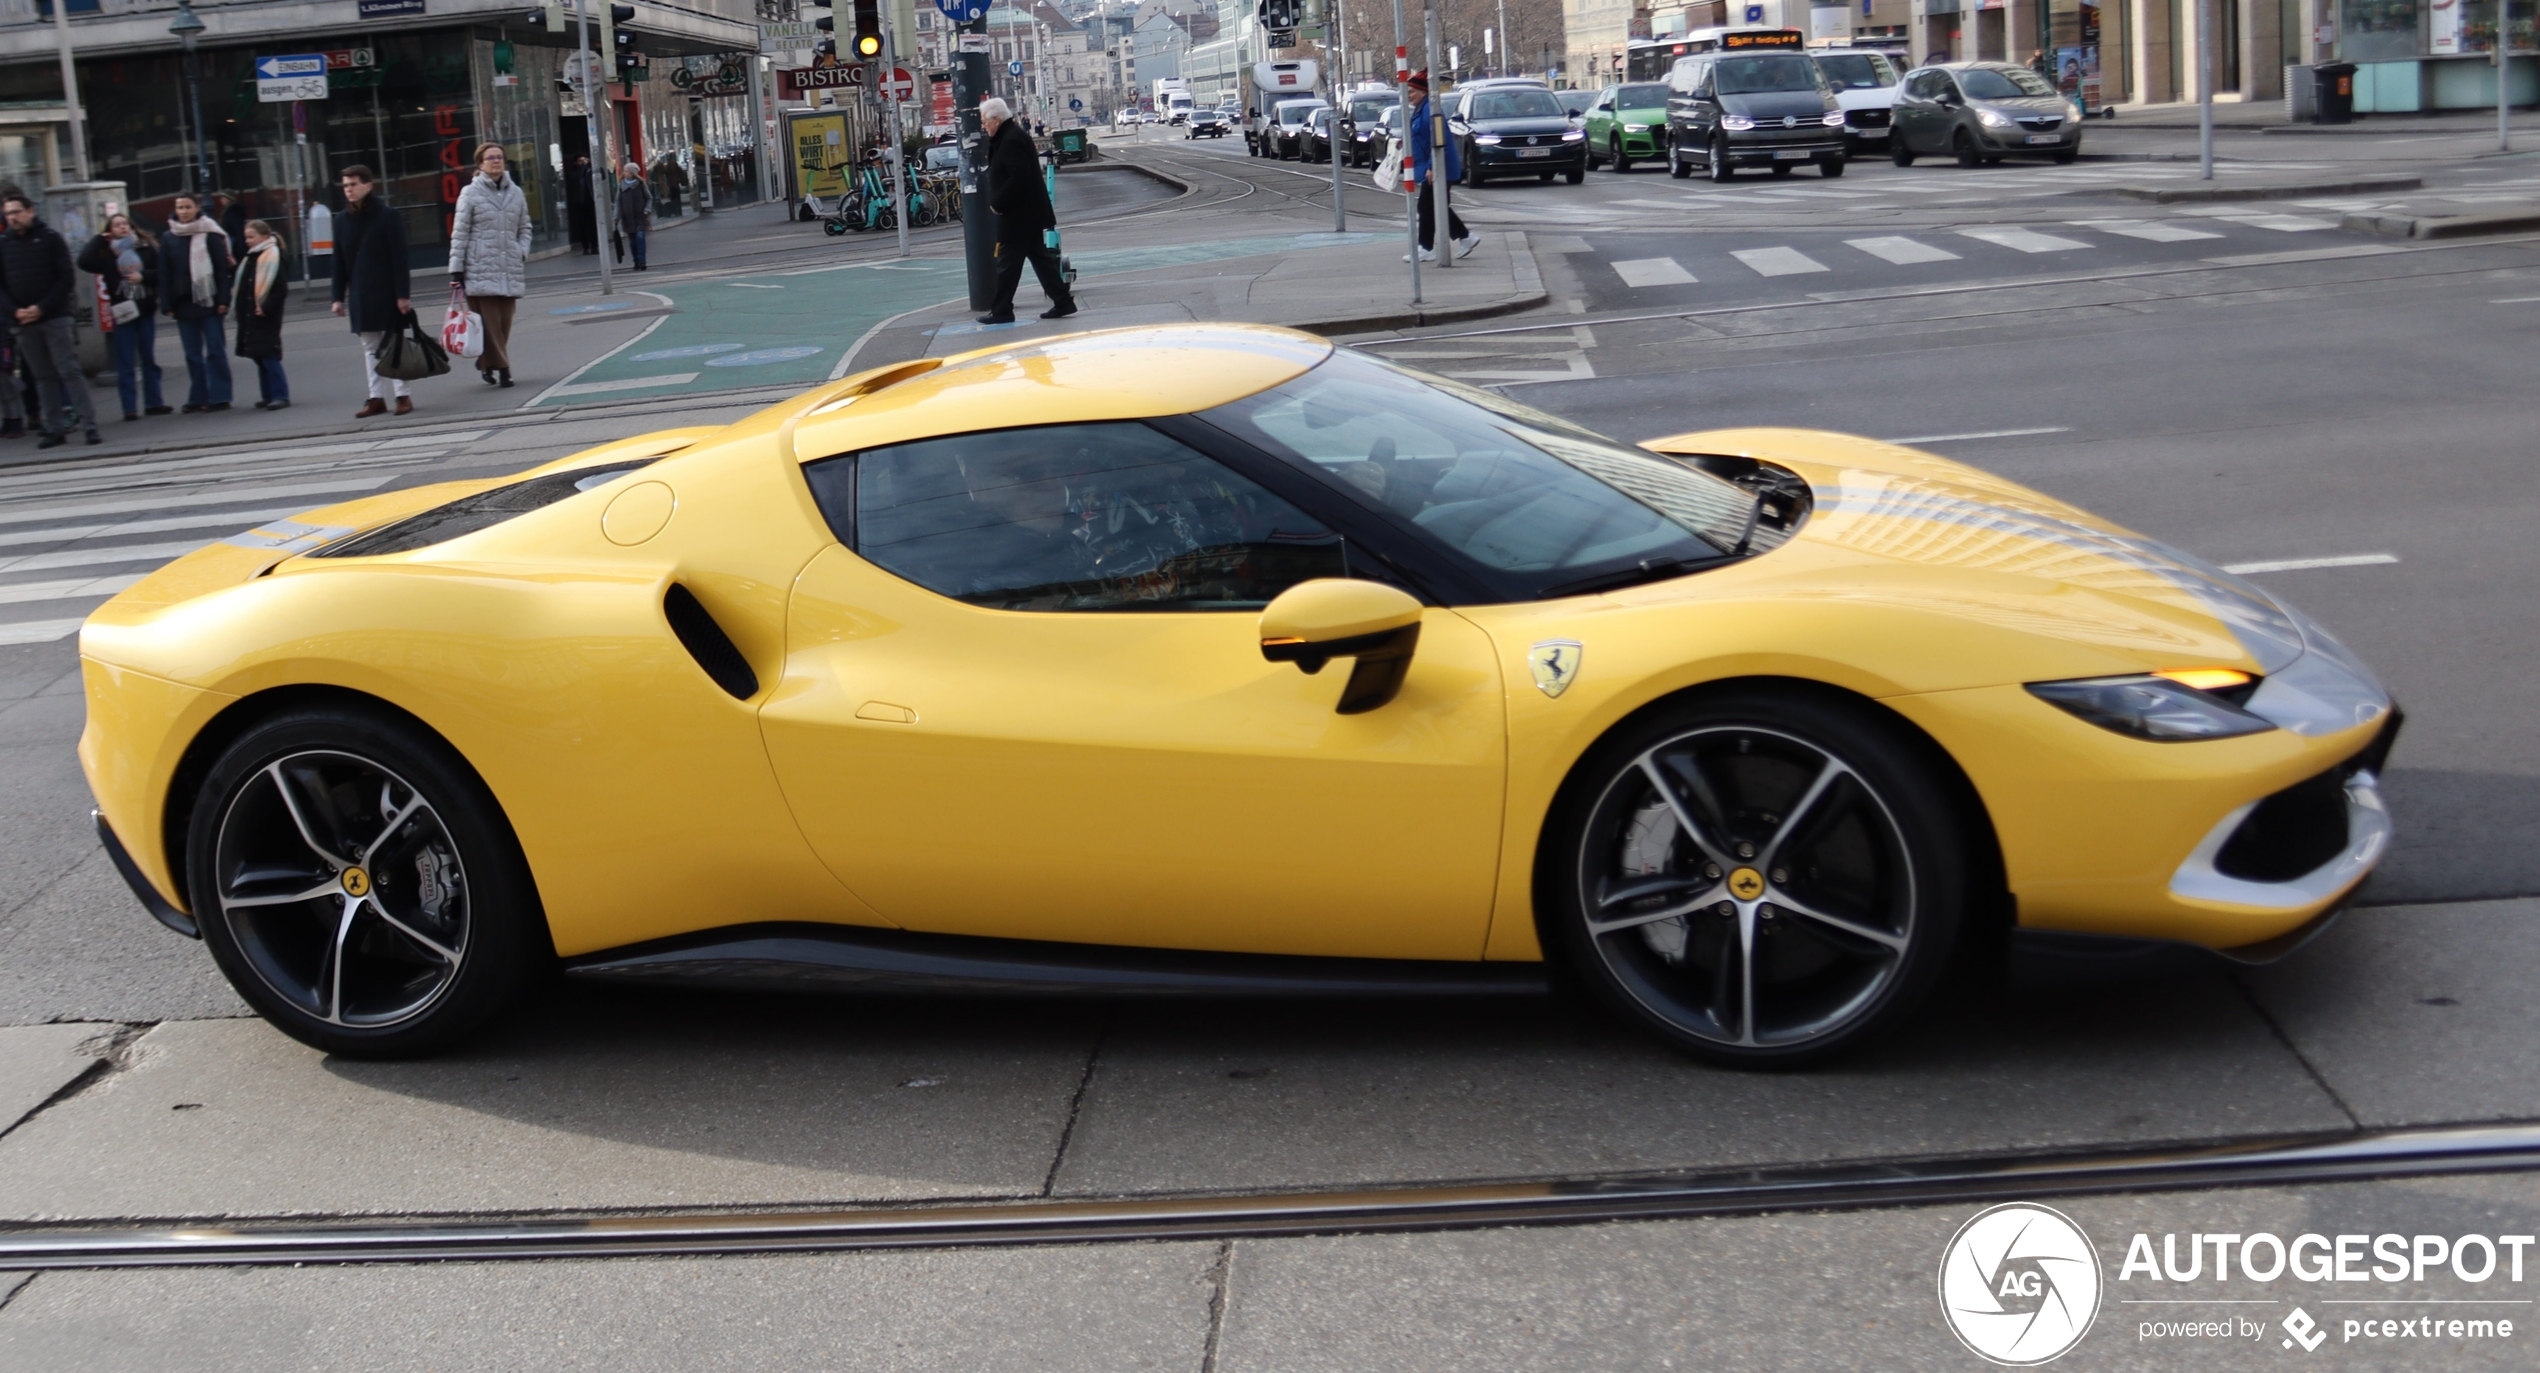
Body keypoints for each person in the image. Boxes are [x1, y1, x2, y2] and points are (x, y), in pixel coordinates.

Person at [0, 193, 100, 447]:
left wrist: (41, 308)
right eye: (8, 213)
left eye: (16, 212)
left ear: (30, 211)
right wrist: (16, 312)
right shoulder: (3, 244)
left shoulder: (50, 238)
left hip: (54, 316)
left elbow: (65, 278)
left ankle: (89, 425)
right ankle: (53, 427)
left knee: (68, 370)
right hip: (23, 321)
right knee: (42, 375)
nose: (12, 218)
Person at [978, 96, 1075, 325]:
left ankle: (1002, 310)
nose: (984, 126)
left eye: (985, 122)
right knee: (1041, 260)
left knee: (1007, 265)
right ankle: (1063, 301)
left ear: (996, 119)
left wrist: (998, 202)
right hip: (1026, 214)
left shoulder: (1010, 139)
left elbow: (1020, 175)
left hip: (1018, 215)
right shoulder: (1009, 136)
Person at [330, 165, 415, 418]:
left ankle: (403, 395)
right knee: (369, 347)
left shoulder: (388, 216)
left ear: (368, 185)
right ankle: (376, 397)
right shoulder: (342, 220)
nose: (349, 190)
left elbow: (400, 258)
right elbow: (338, 261)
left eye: (354, 184)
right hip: (360, 293)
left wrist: (402, 294)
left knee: (393, 344)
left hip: (387, 291)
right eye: (345, 186)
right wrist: (337, 297)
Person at [448, 142, 532, 389]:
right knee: (490, 324)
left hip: (509, 266)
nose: (496, 161)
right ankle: (505, 370)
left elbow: (525, 227)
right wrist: (456, 268)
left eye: (499, 157)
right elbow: (460, 232)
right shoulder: (470, 193)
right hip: (479, 267)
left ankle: (486, 362)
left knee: (504, 323)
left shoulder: (516, 193)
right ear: (480, 164)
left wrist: (521, 251)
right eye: (490, 158)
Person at [77, 212, 170, 422]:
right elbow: (83, 262)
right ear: (110, 230)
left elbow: (161, 273)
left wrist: (143, 277)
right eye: (117, 225)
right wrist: (99, 239)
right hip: (123, 312)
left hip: (144, 309)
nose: (122, 228)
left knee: (148, 359)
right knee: (125, 362)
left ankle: (154, 402)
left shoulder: (145, 248)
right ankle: (129, 408)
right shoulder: (106, 254)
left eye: (125, 224)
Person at [159, 191, 236, 414]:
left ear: (197, 208)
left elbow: (222, 270)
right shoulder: (169, 237)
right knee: (192, 354)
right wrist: (167, 304)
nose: (183, 212)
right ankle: (198, 397)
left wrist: (223, 299)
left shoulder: (210, 232)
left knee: (215, 350)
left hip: (209, 300)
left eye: (187, 207)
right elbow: (164, 272)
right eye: (179, 208)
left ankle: (220, 396)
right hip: (183, 303)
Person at [1405, 72, 1479, 264]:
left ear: (1423, 92)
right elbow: (1421, 138)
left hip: (1440, 168)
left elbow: (1439, 142)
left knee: (1428, 206)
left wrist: (1431, 167)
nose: (1409, 95)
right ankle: (1461, 238)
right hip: (1435, 168)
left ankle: (1430, 247)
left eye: (1412, 91)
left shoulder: (1430, 110)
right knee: (1434, 206)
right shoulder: (1422, 109)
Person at [233, 219, 290, 411]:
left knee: (268, 354)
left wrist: (266, 306)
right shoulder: (251, 257)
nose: (247, 241)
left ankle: (280, 394)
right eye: (246, 237)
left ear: (264, 237)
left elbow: (280, 289)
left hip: (265, 315)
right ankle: (267, 395)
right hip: (251, 314)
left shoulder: (272, 256)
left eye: (251, 237)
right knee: (258, 355)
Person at [615, 161, 651, 270]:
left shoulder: (641, 184)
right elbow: (618, 202)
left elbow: (649, 198)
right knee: (632, 241)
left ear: (633, 173)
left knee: (640, 237)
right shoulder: (621, 186)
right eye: (624, 171)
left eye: (628, 172)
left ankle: (642, 261)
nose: (625, 173)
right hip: (628, 217)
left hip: (640, 216)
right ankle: (636, 261)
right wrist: (616, 217)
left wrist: (647, 209)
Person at [567, 154, 599, 254]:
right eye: (580, 161)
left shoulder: (590, 170)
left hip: (590, 200)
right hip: (580, 202)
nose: (583, 162)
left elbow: (601, 176)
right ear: (576, 162)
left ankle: (595, 246)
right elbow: (576, 179)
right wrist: (584, 167)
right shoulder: (574, 172)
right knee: (582, 225)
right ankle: (586, 247)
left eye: (584, 160)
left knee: (593, 224)